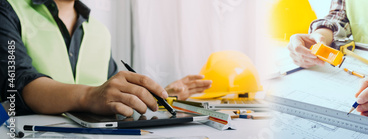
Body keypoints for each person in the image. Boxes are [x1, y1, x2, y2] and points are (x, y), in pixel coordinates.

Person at [0, 0, 211, 116]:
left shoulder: (99, 31)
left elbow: (108, 91)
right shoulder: (8, 9)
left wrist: (159, 93)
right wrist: (90, 96)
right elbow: (16, 83)